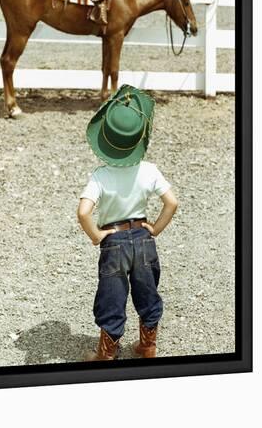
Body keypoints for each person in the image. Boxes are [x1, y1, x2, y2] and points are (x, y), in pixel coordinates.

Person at [77, 84, 178, 361]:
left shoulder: (100, 175)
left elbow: (84, 212)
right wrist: (155, 228)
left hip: (114, 243)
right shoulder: (150, 170)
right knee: (147, 292)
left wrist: (96, 235)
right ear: (139, 140)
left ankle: (106, 354)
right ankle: (148, 346)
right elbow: (172, 202)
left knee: (112, 295)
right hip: (144, 240)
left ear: (106, 139)